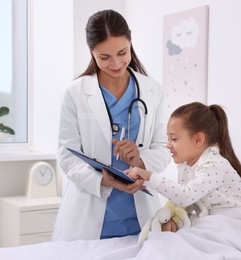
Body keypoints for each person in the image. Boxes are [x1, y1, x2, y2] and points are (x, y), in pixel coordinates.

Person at [52, 9, 171, 241]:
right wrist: (101, 180)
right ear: (92, 52)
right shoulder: (75, 93)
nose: (116, 63)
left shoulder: (152, 91)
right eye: (104, 57)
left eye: (122, 52)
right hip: (88, 214)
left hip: (140, 214)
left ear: (130, 42)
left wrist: (140, 161)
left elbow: (163, 147)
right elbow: (67, 156)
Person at [127, 101, 241, 231]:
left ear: (198, 139)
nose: (168, 145)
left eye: (174, 139)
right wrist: (172, 218)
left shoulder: (214, 164)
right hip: (215, 219)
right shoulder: (186, 166)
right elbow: (185, 202)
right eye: (168, 138)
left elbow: (186, 196)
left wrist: (149, 176)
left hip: (238, 222)